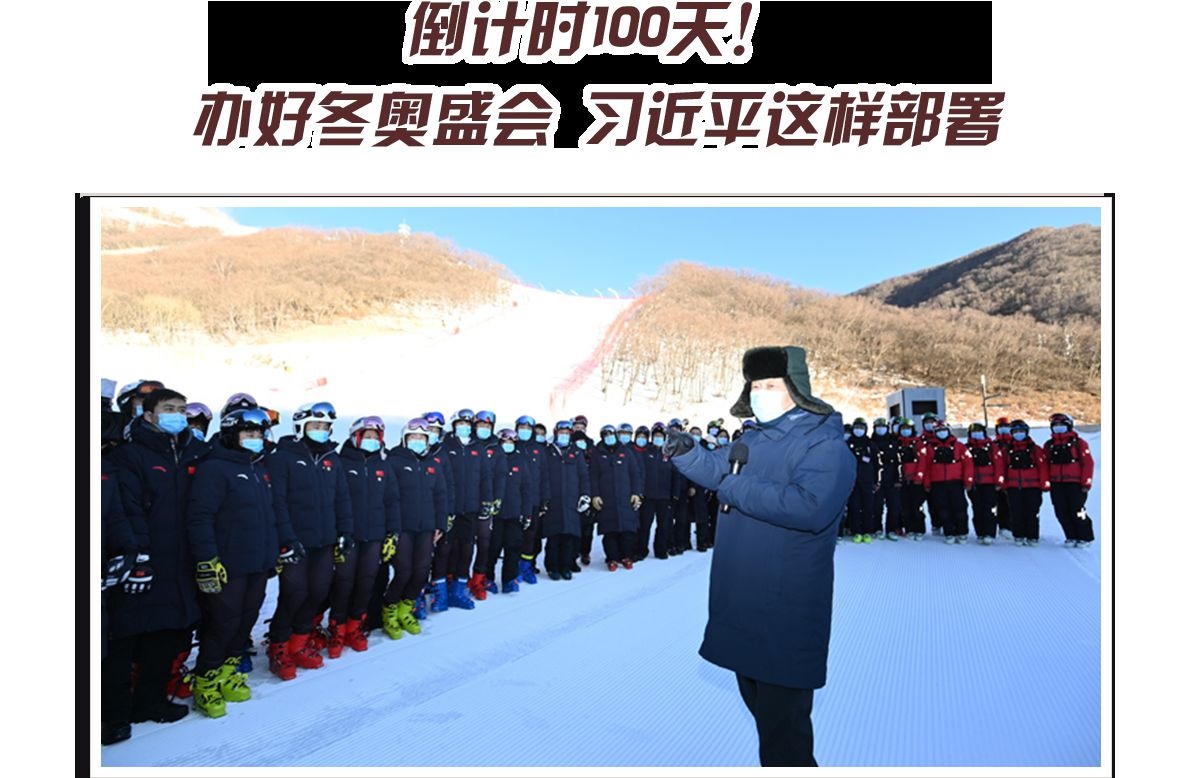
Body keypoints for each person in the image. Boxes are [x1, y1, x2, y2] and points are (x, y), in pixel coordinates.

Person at [663, 345, 855, 767]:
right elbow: (718, 469)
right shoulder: (752, 438)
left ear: (796, 389)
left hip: (784, 604)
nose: (760, 393)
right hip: (743, 596)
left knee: (784, 736)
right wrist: (687, 452)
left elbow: (811, 507)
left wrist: (734, 488)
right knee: (762, 713)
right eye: (755, 386)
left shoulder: (824, 445)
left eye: (771, 385)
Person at [103, 388, 206, 743]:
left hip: (181, 557)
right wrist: (139, 555)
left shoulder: (193, 450)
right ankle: (113, 715)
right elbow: (127, 507)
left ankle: (151, 701)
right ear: (148, 415)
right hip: (143, 558)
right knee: (126, 636)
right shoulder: (130, 455)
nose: (177, 415)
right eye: (168, 409)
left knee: (168, 631)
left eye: (181, 409)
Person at [185, 408, 298, 714]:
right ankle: (206, 679)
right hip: (228, 563)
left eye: (259, 433)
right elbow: (200, 517)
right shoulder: (214, 468)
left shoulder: (258, 468)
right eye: (249, 433)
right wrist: (207, 559)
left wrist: (277, 548)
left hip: (258, 561)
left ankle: (228, 670)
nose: (255, 438)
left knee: (247, 618)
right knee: (223, 621)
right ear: (232, 434)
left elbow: (271, 514)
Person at [265, 401, 354, 677]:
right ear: (301, 426)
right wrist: (286, 538)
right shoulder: (283, 457)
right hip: (295, 540)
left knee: (318, 591)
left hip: (324, 540)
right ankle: (279, 645)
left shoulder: (331, 458)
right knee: (295, 592)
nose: (321, 430)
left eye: (325, 426)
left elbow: (342, 498)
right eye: (315, 425)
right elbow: (277, 502)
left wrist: (345, 531)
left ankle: (299, 642)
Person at [334, 416, 402, 651]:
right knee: (344, 583)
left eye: (376, 437)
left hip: (375, 535)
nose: (372, 440)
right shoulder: (341, 463)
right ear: (356, 436)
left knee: (366, 581)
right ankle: (337, 628)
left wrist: (393, 533)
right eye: (367, 436)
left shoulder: (383, 466)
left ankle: (355, 625)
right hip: (348, 535)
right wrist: (337, 532)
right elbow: (334, 500)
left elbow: (392, 501)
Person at [384, 418, 448, 637]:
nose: (417, 440)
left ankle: (406, 609)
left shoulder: (432, 464)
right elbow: (389, 497)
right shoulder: (394, 461)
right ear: (405, 439)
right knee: (404, 571)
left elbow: (441, 496)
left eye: (422, 437)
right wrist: (391, 528)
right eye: (413, 437)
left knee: (421, 572)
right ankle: (389, 611)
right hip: (403, 527)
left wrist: (440, 525)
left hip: (426, 527)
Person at [485, 428, 535, 593]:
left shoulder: (520, 460)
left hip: (514, 513)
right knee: (493, 548)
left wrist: (527, 513)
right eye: (505, 442)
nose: (508, 444)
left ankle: (509, 579)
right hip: (496, 514)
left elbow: (527, 488)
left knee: (513, 547)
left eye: (511, 442)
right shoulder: (492, 458)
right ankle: (488, 578)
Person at [590, 424, 645, 570]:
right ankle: (612, 558)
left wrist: (636, 492)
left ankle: (626, 556)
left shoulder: (626, 452)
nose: (609, 438)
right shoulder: (597, 453)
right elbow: (593, 477)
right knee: (610, 531)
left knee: (627, 530)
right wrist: (595, 495)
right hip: (606, 498)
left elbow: (635, 474)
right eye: (606, 435)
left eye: (611, 435)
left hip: (625, 497)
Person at [541, 420, 590, 580]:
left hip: (572, 499)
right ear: (556, 433)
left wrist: (585, 495)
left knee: (569, 535)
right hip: (553, 499)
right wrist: (544, 497)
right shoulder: (548, 451)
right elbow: (543, 476)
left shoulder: (576, 452)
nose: (564, 435)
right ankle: (552, 567)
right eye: (561, 432)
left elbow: (583, 476)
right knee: (554, 536)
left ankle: (566, 566)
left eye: (567, 433)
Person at [1044, 413, 1096, 548]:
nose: (1058, 428)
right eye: (1055, 425)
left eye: (1061, 425)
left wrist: (1086, 482)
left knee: (1077, 510)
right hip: (1056, 483)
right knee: (1061, 511)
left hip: (1075, 483)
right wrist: (1046, 482)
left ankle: (1085, 537)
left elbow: (1088, 463)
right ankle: (1071, 536)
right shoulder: (1049, 445)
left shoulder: (1079, 443)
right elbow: (1045, 465)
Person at [1001, 420, 1049, 546]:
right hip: (1013, 486)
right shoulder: (1007, 450)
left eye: (1021, 431)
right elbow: (1002, 468)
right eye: (1016, 431)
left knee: (1032, 512)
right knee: (1015, 512)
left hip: (1033, 486)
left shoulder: (1035, 449)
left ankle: (1032, 536)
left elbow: (1043, 467)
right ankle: (1018, 535)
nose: (1019, 434)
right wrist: (1004, 484)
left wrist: (1044, 483)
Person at [965, 422, 1006, 545]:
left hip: (990, 483)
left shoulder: (992, 447)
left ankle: (990, 533)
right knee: (977, 509)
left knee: (990, 509)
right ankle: (980, 533)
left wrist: (999, 481)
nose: (976, 434)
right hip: (974, 484)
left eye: (979, 432)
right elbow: (965, 466)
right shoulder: (966, 448)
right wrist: (967, 482)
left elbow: (998, 465)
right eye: (974, 432)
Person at [844, 417, 879, 544]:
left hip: (867, 480)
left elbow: (876, 463)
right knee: (854, 507)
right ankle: (856, 531)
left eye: (861, 428)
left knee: (868, 507)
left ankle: (867, 531)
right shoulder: (848, 444)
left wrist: (876, 481)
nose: (859, 430)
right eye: (856, 428)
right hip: (853, 481)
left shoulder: (870, 444)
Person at [871, 417, 903, 541]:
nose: (881, 429)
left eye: (883, 427)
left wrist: (899, 478)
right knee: (877, 506)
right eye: (878, 427)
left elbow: (898, 462)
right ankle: (877, 528)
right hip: (877, 480)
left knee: (894, 506)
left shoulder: (893, 442)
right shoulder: (871, 442)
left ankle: (891, 529)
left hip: (892, 479)